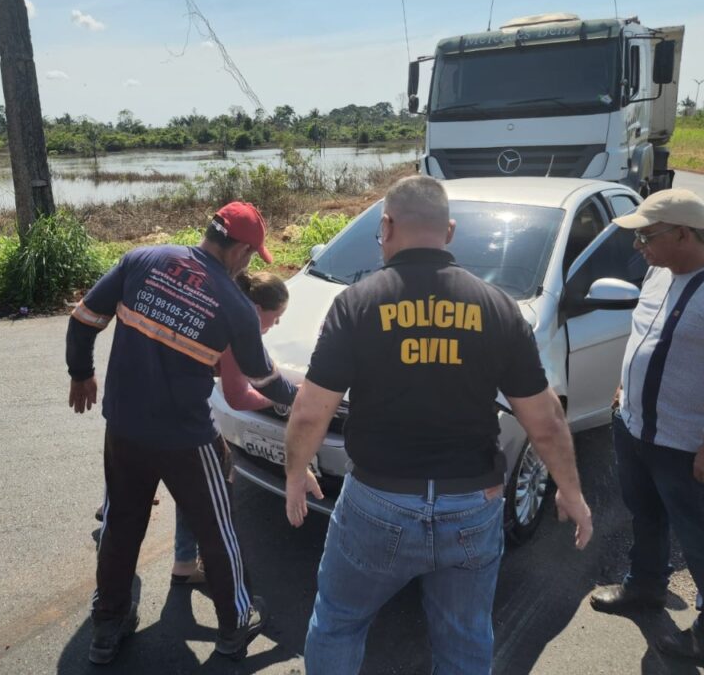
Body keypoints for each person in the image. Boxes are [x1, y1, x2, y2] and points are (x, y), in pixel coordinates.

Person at [284, 175, 593, 675]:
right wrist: (571, 493)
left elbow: (309, 410)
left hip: (379, 500)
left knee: (340, 621)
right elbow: (546, 421)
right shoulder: (498, 308)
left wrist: (296, 474)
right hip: (472, 503)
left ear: (386, 226)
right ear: (448, 232)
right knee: (465, 637)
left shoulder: (357, 303)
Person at [66, 201, 297, 664]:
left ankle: (107, 627)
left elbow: (84, 318)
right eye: (252, 255)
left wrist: (81, 373)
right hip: (184, 439)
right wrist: (310, 401)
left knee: (120, 524)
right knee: (219, 529)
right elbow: (264, 381)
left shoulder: (143, 259)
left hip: (124, 428)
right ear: (240, 252)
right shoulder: (233, 303)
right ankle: (235, 626)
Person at [590, 189, 704, 662]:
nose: (639, 245)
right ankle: (645, 587)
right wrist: (626, 390)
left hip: (685, 442)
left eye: (647, 236)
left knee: (702, 536)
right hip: (635, 428)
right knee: (645, 516)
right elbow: (648, 336)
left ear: (683, 233)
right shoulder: (657, 274)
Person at [171, 271, 290, 585]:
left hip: (141, 401)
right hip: (179, 414)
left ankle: (180, 558)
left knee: (136, 487)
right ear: (257, 310)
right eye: (276, 317)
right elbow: (238, 397)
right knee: (215, 484)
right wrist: (280, 401)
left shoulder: (216, 304)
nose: (275, 325)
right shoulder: (239, 328)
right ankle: (223, 579)